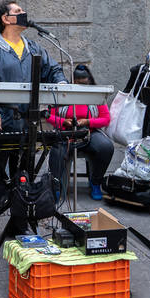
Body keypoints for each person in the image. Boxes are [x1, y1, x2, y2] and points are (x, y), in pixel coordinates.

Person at [0, 0, 67, 245]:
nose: (23, 14)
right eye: (17, 12)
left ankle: (19, 224)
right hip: (0, 124)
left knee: (23, 177)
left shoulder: (34, 47)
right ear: (5, 18)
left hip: (27, 125)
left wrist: (61, 83)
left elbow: (53, 69)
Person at [47, 64, 114, 201]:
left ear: (89, 81)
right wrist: (63, 122)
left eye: (84, 83)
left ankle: (95, 182)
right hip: (66, 133)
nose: (80, 85)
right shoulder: (63, 93)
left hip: (89, 133)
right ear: (72, 81)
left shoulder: (95, 96)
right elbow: (50, 116)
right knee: (57, 151)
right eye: (77, 82)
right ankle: (56, 186)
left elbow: (106, 119)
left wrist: (87, 122)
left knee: (106, 147)